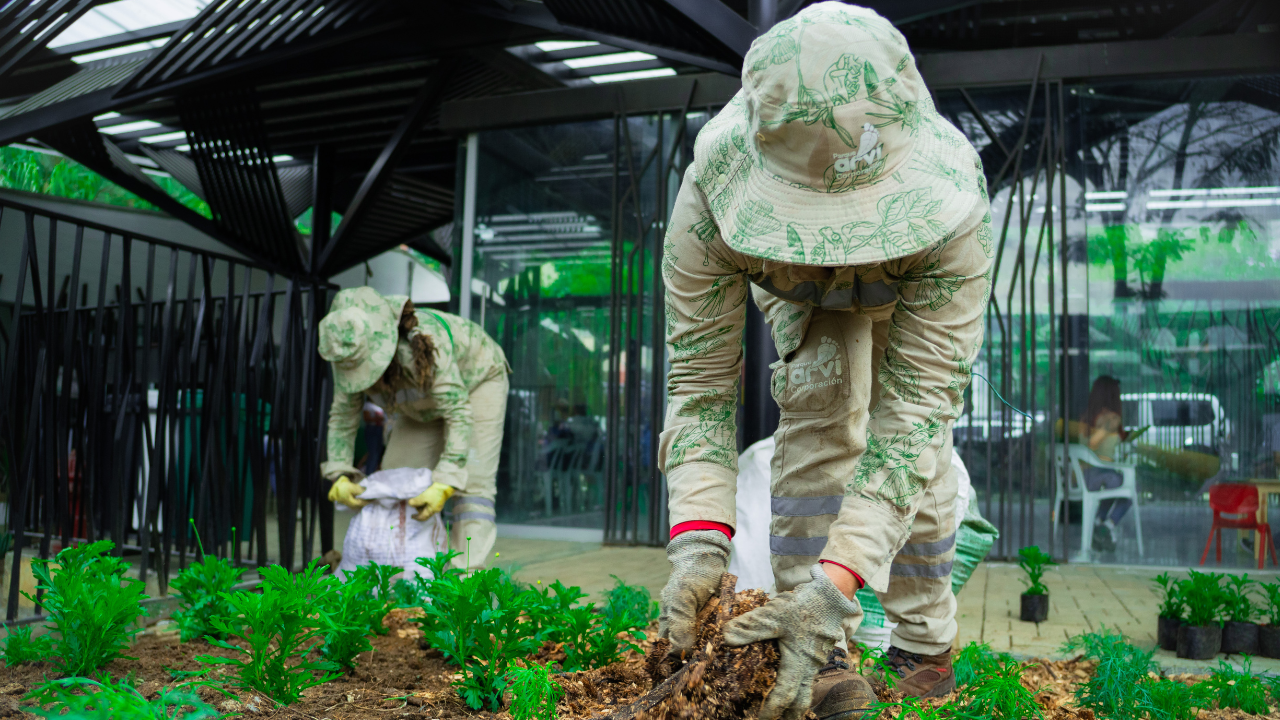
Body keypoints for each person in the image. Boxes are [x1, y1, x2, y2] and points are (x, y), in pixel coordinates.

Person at [656, 4, 993, 719]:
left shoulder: (956, 207)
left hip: (909, 278)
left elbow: (914, 417)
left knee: (919, 473)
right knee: (826, 389)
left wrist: (840, 582)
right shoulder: (709, 202)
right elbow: (701, 389)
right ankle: (814, 638)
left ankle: (923, 645)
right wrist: (698, 545)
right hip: (794, 285)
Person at [318, 287, 510, 571]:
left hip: (477, 384)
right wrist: (339, 474)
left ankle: (464, 588)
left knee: (471, 486)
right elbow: (344, 414)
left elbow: (458, 413)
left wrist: (446, 482)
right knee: (396, 484)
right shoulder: (348, 350)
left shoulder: (426, 344)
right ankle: (404, 579)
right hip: (421, 406)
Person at [1079, 376, 1131, 552]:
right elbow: (1092, 443)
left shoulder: (1086, 417)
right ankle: (1108, 525)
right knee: (1128, 487)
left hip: (1083, 475)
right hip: (1094, 474)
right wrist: (1109, 426)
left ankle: (1099, 522)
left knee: (1115, 483)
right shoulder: (1111, 419)